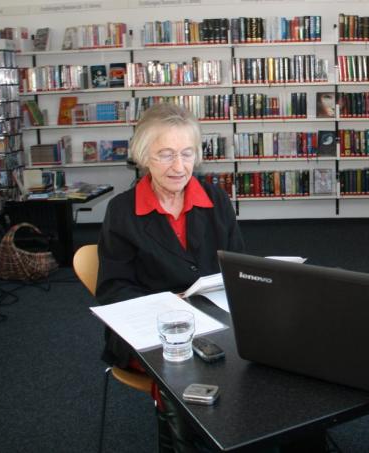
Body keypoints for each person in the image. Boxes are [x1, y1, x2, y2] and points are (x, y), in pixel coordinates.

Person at [96, 102, 245, 451]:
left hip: (216, 318)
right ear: (144, 156)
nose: (179, 167)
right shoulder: (122, 211)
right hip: (150, 328)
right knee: (183, 367)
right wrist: (165, 305)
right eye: (165, 155)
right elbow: (112, 288)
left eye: (186, 153)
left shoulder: (216, 199)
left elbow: (238, 266)